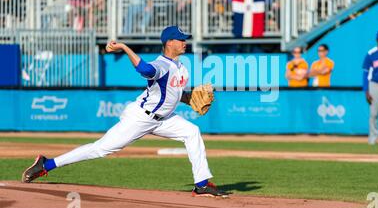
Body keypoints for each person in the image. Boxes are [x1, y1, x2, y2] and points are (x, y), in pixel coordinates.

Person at [21, 26, 227, 198]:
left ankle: (201, 184)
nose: (185, 42)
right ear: (169, 42)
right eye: (181, 39)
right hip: (141, 117)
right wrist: (123, 47)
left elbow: (173, 93)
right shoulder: (161, 64)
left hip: (164, 119)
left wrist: (188, 98)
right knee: (101, 149)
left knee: (192, 132)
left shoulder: (181, 67)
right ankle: (46, 164)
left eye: (185, 39)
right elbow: (146, 71)